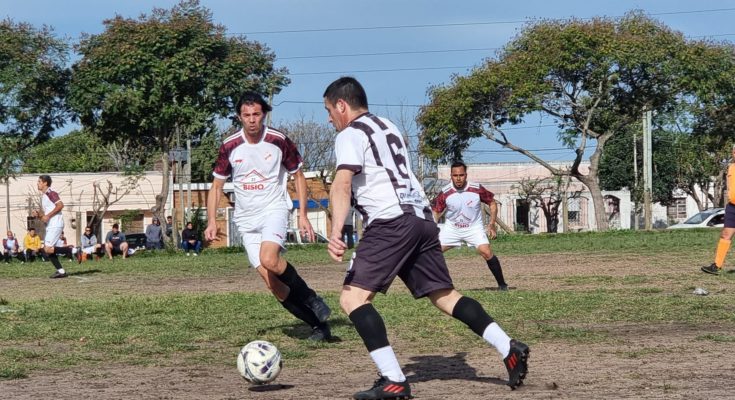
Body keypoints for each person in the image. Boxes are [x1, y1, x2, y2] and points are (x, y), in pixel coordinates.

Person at [324, 77, 529, 399]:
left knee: (352, 299)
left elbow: (342, 183)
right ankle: (509, 347)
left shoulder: (350, 132)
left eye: (328, 110)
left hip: (391, 222)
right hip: (421, 219)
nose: (329, 119)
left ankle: (393, 380)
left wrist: (336, 232)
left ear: (341, 105)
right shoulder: (387, 126)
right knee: (445, 296)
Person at [204, 91, 332, 342]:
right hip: (245, 220)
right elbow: (216, 186)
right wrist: (211, 221)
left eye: (256, 114)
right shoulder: (229, 145)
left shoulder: (279, 140)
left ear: (264, 114)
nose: (252, 120)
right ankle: (318, 326)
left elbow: (298, 175)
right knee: (273, 283)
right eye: (246, 115)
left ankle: (312, 298)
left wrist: (303, 215)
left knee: (270, 259)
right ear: (239, 117)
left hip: (273, 208)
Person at [432, 161, 510, 290]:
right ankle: (435, 285)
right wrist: (432, 227)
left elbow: (492, 203)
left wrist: (491, 224)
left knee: (486, 252)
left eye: (461, 175)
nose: (458, 178)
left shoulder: (476, 188)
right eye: (455, 175)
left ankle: (502, 285)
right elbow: (436, 211)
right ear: (451, 176)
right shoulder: (445, 192)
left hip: (474, 228)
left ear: (466, 175)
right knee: (432, 253)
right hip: (452, 229)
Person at [702, 144, 735, 274]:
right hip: (732, 207)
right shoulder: (731, 168)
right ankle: (717, 265)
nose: (734, 154)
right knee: (726, 234)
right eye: (734, 151)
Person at [37, 175, 68, 278]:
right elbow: (45, 217)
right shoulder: (44, 196)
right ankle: (61, 271)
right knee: (48, 249)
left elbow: (60, 205)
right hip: (51, 225)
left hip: (56, 224)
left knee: (47, 249)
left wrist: (48, 215)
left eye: (39, 182)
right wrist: (38, 215)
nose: (38, 183)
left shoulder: (51, 193)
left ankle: (74, 251)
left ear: (45, 183)